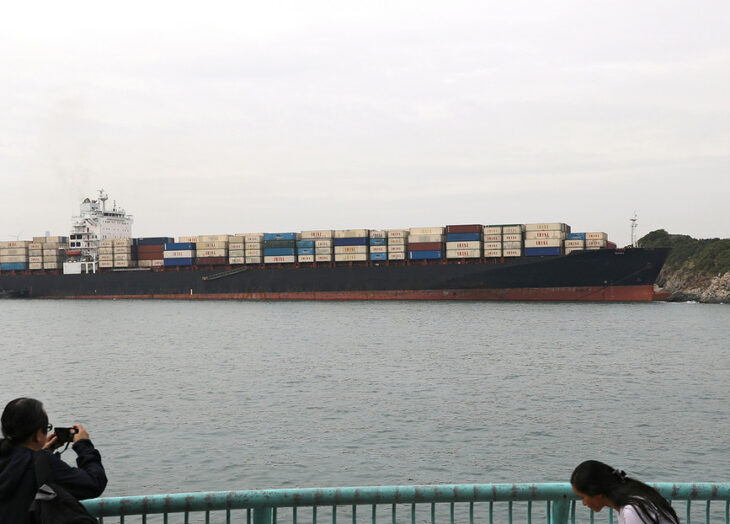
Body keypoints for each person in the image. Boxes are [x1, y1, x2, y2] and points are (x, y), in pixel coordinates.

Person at [0, 397, 107, 523]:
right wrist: (84, 445)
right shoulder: (41, 462)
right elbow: (94, 483)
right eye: (47, 427)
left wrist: (43, 452)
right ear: (38, 435)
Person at [571, 460, 679, 524]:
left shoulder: (632, 510)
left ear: (597, 493)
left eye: (583, 497)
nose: (583, 503)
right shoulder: (630, 500)